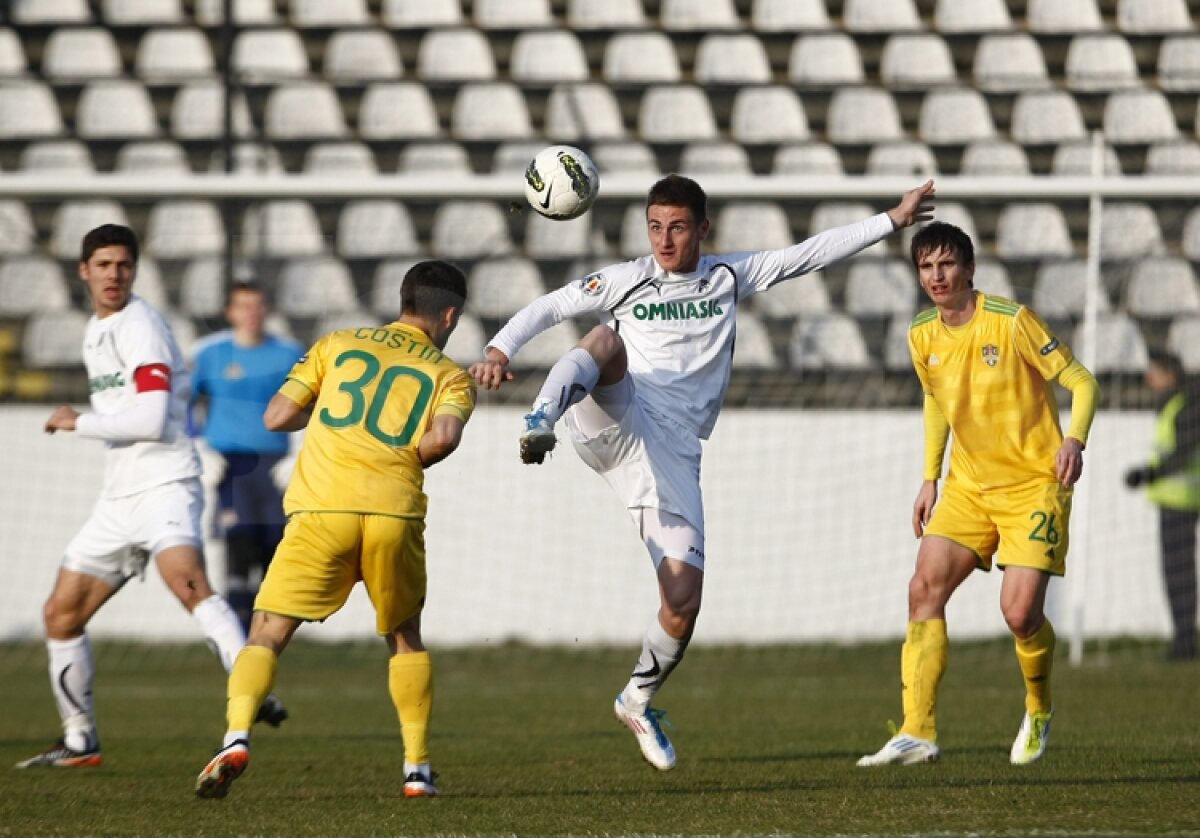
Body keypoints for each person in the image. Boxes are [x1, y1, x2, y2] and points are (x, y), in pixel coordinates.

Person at [470, 174, 936, 770]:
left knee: (683, 602)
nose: (664, 240)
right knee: (605, 340)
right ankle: (541, 418)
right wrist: (498, 350)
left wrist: (892, 220)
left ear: (702, 229)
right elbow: (552, 303)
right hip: (619, 412)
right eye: (655, 227)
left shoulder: (727, 276)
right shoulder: (629, 277)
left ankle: (637, 698)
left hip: (674, 454)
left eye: (678, 227)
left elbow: (807, 254)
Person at [194, 259, 476, 800]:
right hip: (392, 511)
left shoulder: (338, 344)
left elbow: (277, 416)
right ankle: (416, 771)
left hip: (321, 510)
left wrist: (323, 414)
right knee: (404, 637)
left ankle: (235, 737)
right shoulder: (451, 375)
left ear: (403, 301)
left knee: (267, 631)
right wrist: (403, 455)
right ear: (450, 314)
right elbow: (442, 440)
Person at [18, 224, 286, 770]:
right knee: (61, 615)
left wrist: (77, 421)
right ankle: (79, 741)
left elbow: (152, 415)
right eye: (104, 264)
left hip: (165, 482)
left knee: (189, 583)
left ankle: (250, 685)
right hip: (118, 496)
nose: (114, 274)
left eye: (124, 265)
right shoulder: (98, 328)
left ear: (134, 271)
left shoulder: (139, 326)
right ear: (83, 271)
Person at [856, 221, 1100, 768]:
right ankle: (917, 730)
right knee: (923, 587)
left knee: (1018, 614)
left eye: (947, 265)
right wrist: (929, 478)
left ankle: (1038, 708)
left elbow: (1083, 382)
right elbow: (938, 400)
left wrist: (1075, 440)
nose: (937, 276)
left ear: (969, 269)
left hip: (1036, 485)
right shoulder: (921, 334)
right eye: (926, 267)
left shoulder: (1011, 322)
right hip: (968, 487)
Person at [191, 283, 304, 632]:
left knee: (275, 547)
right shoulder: (210, 353)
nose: (251, 313)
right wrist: (199, 450)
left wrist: (299, 453)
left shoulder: (288, 353)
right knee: (238, 544)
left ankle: (270, 632)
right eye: (243, 306)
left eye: (257, 305)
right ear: (230, 312)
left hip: (274, 465)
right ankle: (237, 632)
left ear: (267, 310)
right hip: (231, 464)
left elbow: (309, 405)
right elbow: (181, 404)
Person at [1125, 350, 1200, 661]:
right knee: (1178, 572)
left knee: (1179, 572)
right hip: (1176, 498)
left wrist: (1149, 474)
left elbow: (1182, 452)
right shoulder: (1175, 405)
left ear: (1170, 374)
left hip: (1180, 499)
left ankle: (1185, 641)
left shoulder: (1184, 406)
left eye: (1154, 371)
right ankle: (1183, 638)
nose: (1148, 378)